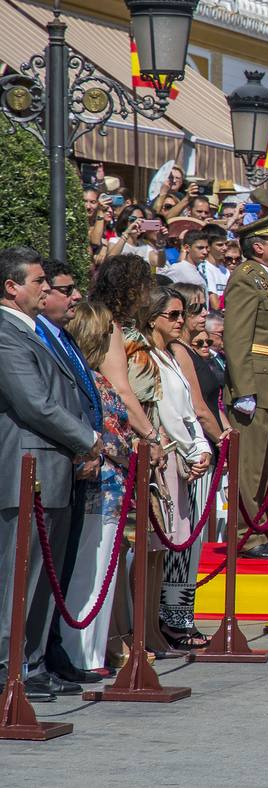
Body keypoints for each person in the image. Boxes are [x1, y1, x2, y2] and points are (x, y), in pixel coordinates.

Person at [0, 247, 100, 700]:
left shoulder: (37, 331)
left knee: (45, 576)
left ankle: (34, 663)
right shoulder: (6, 334)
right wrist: (92, 440)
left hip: (53, 466)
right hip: (26, 466)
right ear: (12, 287)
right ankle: (9, 667)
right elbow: (33, 404)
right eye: (39, 281)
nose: (47, 288)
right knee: (18, 573)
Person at [33, 261, 105, 685]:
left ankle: (48, 651)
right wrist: (87, 443)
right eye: (65, 289)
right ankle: (34, 658)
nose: (74, 297)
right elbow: (42, 401)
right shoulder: (33, 335)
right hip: (53, 462)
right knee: (41, 567)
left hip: (77, 462)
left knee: (60, 565)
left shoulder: (63, 336)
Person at [61, 302, 132, 678]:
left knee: (100, 573)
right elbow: (112, 436)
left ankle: (91, 654)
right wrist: (133, 449)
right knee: (88, 574)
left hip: (112, 490)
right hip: (98, 491)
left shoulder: (95, 378)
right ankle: (81, 655)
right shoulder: (90, 379)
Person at [223, 214, 268, 559]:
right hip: (257, 386)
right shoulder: (245, 278)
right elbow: (237, 337)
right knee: (250, 468)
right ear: (257, 246)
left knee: (266, 466)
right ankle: (246, 536)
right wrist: (244, 389)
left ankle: (261, 531)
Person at [145, 287, 212, 650]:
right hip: (170, 458)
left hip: (187, 456)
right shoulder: (148, 356)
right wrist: (191, 450)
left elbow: (188, 411)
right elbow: (168, 415)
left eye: (183, 314)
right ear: (152, 316)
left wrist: (201, 446)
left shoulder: (171, 355)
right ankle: (168, 620)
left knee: (184, 544)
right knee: (167, 545)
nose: (181, 321)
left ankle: (176, 618)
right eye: (173, 315)